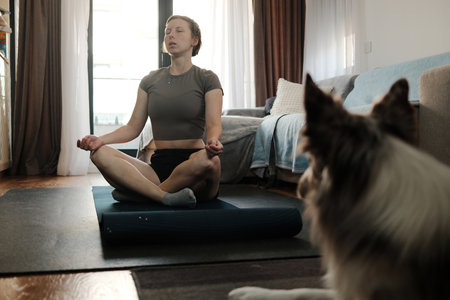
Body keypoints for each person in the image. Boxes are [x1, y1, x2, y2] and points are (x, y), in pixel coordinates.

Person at [77, 15, 223, 208]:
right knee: (98, 153)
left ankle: (143, 194)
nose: (171, 35)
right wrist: (101, 140)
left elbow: (213, 124)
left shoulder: (207, 78)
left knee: (210, 161)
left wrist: (213, 140)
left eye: (179, 31)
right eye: (167, 32)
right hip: (159, 167)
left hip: (194, 163)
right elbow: (132, 127)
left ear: (194, 40)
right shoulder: (150, 80)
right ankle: (163, 196)